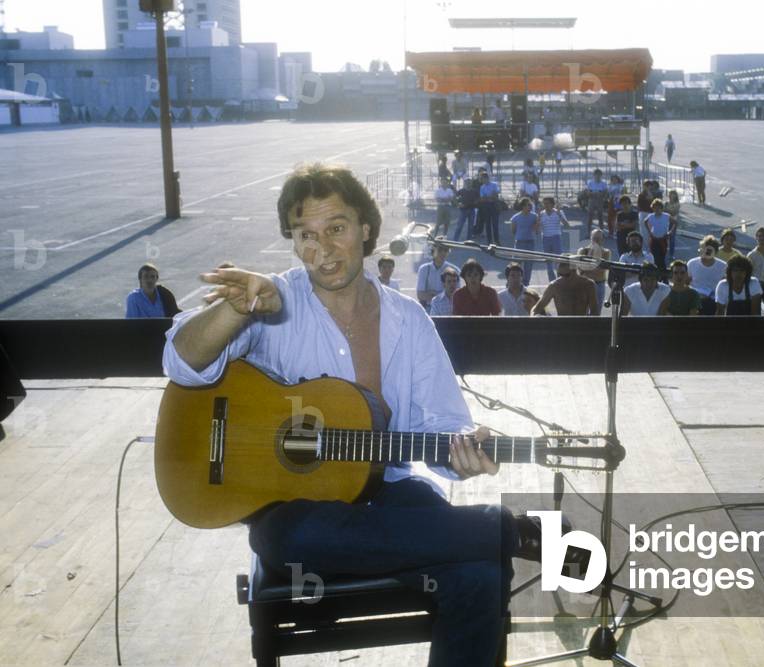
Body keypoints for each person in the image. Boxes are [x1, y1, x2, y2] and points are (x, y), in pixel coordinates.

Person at [163, 163, 520, 665]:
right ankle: (507, 530)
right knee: (297, 533)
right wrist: (235, 311)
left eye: (336, 229)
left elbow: (442, 425)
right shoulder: (271, 300)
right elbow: (181, 362)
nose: (322, 250)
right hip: (294, 513)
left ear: (367, 229)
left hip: (390, 494)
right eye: (305, 235)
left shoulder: (409, 320)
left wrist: (464, 449)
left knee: (480, 576)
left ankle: (498, 531)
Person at [531, 260, 598, 316]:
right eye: (560, 274)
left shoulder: (588, 285)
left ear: (574, 271)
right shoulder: (554, 286)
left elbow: (594, 311)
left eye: (566, 275)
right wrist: (533, 317)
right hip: (562, 327)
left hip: (582, 326)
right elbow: (537, 308)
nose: (563, 278)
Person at [687, 235, 727, 315]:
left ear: (715, 252)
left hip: (714, 303)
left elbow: (725, 287)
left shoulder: (723, 266)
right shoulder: (691, 263)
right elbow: (685, 283)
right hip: (694, 302)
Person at [416, 242, 458, 309]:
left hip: (447, 309)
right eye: (440, 250)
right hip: (428, 308)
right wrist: (443, 295)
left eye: (446, 250)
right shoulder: (424, 269)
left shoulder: (455, 270)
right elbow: (420, 295)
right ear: (433, 251)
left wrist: (431, 293)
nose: (443, 253)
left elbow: (456, 295)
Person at [578, 228, 612, 312]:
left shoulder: (606, 252)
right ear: (590, 238)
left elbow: (602, 269)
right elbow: (580, 268)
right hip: (584, 284)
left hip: (599, 284)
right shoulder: (582, 250)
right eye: (594, 238)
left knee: (597, 311)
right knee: (582, 310)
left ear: (602, 240)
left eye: (598, 239)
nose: (596, 241)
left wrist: (587, 268)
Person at [538, 196, 571, 282]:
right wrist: (538, 217)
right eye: (544, 203)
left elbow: (567, 225)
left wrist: (559, 213)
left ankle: (560, 280)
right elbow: (537, 229)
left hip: (556, 238)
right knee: (548, 261)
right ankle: (552, 282)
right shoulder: (541, 214)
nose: (545, 205)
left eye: (547, 203)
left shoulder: (559, 212)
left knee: (558, 261)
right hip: (545, 238)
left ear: (552, 204)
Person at [509, 198, 540, 286]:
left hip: (530, 242)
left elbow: (536, 230)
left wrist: (537, 222)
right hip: (519, 242)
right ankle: (513, 283)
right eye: (527, 205)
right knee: (515, 265)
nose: (529, 207)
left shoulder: (534, 216)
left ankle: (526, 284)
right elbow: (513, 230)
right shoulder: (515, 217)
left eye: (530, 205)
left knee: (528, 266)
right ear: (522, 206)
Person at [643, 198, 674, 271]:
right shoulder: (651, 216)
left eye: (658, 208)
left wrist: (670, 232)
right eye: (655, 207)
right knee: (655, 257)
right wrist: (650, 232)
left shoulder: (666, 216)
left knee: (662, 257)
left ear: (661, 208)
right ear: (653, 208)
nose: (657, 209)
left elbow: (675, 223)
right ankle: (657, 272)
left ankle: (663, 273)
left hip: (663, 239)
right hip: (654, 239)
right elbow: (645, 222)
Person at [451, 173, 479, 241]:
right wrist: (458, 204)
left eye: (469, 182)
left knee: (470, 227)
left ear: (471, 183)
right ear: (464, 183)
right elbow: (454, 197)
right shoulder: (461, 191)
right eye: (467, 182)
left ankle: (468, 241)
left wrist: (476, 203)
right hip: (463, 210)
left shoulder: (474, 191)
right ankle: (455, 240)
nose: (468, 183)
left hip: (472, 210)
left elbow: (478, 199)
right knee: (459, 226)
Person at [477, 171, 502, 245]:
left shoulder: (494, 184)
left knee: (495, 224)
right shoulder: (482, 187)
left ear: (487, 178)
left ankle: (497, 241)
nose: (483, 180)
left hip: (494, 205)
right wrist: (491, 197)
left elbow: (496, 193)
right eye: (482, 179)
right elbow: (482, 198)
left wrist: (488, 197)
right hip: (486, 206)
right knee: (487, 224)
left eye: (484, 178)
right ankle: (489, 241)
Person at [585, 168, 609, 235]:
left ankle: (601, 232)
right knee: (590, 217)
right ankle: (588, 232)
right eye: (596, 175)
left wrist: (600, 194)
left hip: (600, 200)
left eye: (599, 175)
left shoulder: (603, 183)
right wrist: (592, 193)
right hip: (592, 200)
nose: (597, 176)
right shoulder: (590, 183)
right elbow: (587, 192)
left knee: (600, 217)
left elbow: (605, 192)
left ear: (601, 175)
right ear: (594, 175)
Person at [664, 189, 682, 261]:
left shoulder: (677, 204)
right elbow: (664, 211)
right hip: (666, 221)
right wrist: (667, 211)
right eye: (670, 194)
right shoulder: (666, 203)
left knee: (672, 239)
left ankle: (671, 254)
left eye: (673, 194)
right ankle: (664, 252)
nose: (671, 195)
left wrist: (667, 211)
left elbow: (674, 212)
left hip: (673, 222)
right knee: (664, 238)